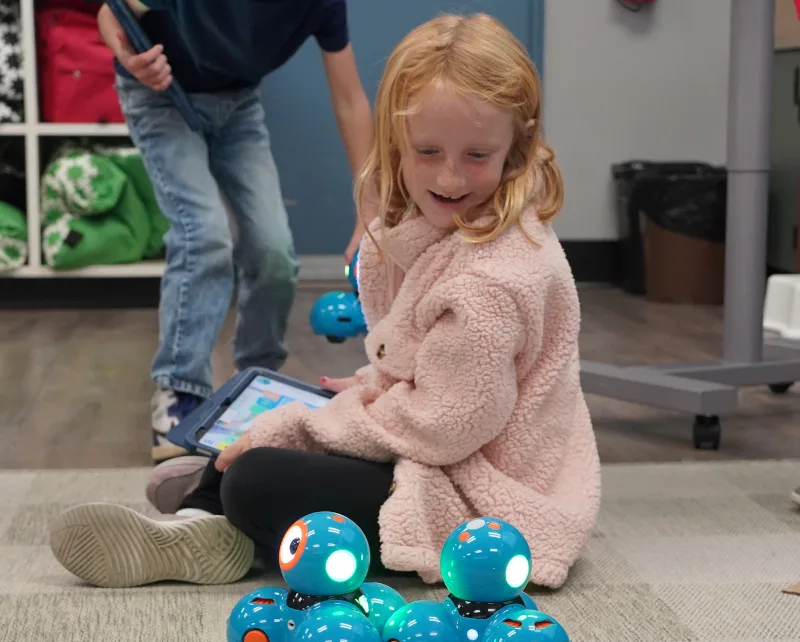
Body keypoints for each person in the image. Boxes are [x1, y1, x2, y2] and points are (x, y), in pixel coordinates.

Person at [49, 13, 602, 591]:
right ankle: (200, 517)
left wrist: (311, 427)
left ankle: (216, 501)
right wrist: (368, 390)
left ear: (517, 143)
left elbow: (446, 424)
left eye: (477, 156)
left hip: (482, 497)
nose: (450, 176)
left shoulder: (494, 280)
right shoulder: (439, 231)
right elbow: (430, 368)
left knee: (259, 475)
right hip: (445, 447)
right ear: (397, 138)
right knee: (288, 433)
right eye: (428, 150)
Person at [97, 0, 375, 462]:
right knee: (204, 235)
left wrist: (369, 209)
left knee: (275, 255)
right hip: (160, 98)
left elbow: (350, 99)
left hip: (238, 106)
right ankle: (179, 388)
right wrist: (129, 58)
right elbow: (114, 12)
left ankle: (257, 383)